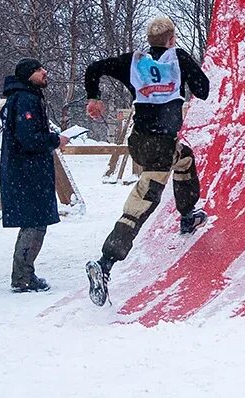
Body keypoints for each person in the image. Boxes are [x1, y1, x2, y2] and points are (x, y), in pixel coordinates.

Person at [83, 16, 210, 307]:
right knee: (142, 201)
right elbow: (203, 90)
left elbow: (94, 68)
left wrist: (94, 98)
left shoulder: (134, 61)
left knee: (185, 159)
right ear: (172, 39)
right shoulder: (178, 59)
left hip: (139, 141)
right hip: (161, 145)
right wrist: (187, 75)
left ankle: (187, 214)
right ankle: (105, 263)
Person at [0, 58, 69, 293]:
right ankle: (22, 276)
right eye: (38, 70)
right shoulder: (26, 99)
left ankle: (23, 273)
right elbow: (28, 138)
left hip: (24, 170)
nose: (44, 72)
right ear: (28, 75)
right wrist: (54, 140)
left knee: (33, 222)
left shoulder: (19, 98)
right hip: (28, 171)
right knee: (34, 223)